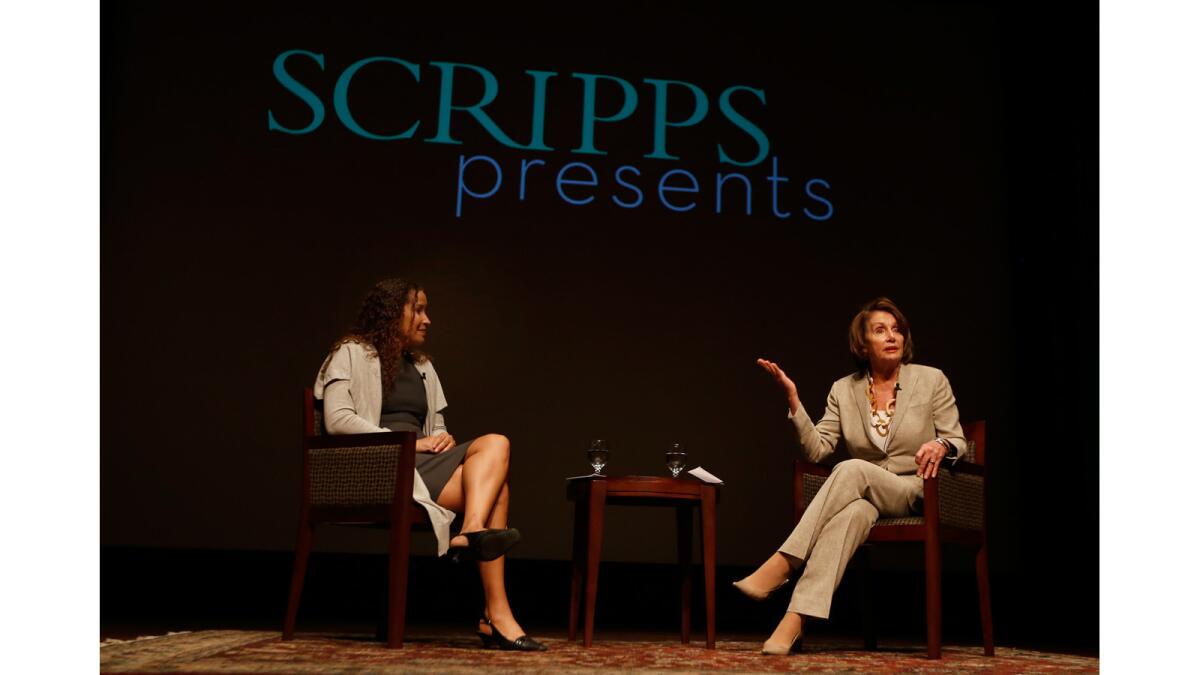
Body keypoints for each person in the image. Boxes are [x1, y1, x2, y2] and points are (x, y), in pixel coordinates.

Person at [313, 278, 546, 651]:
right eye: (418, 309)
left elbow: (435, 427)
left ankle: (473, 540)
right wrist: (410, 442)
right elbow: (337, 420)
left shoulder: (421, 366)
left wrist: (441, 439)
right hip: (384, 464)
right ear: (392, 313)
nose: (427, 319)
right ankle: (495, 614)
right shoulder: (351, 353)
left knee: (496, 448)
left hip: (422, 463)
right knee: (498, 490)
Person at [734, 297, 966, 655]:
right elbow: (818, 449)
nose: (892, 336)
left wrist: (941, 445)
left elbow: (957, 439)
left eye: (897, 330)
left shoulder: (931, 379)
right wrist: (794, 400)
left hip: (916, 488)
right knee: (850, 515)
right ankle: (793, 620)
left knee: (851, 467)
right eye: (880, 330)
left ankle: (784, 562)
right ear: (863, 345)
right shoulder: (843, 389)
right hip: (867, 498)